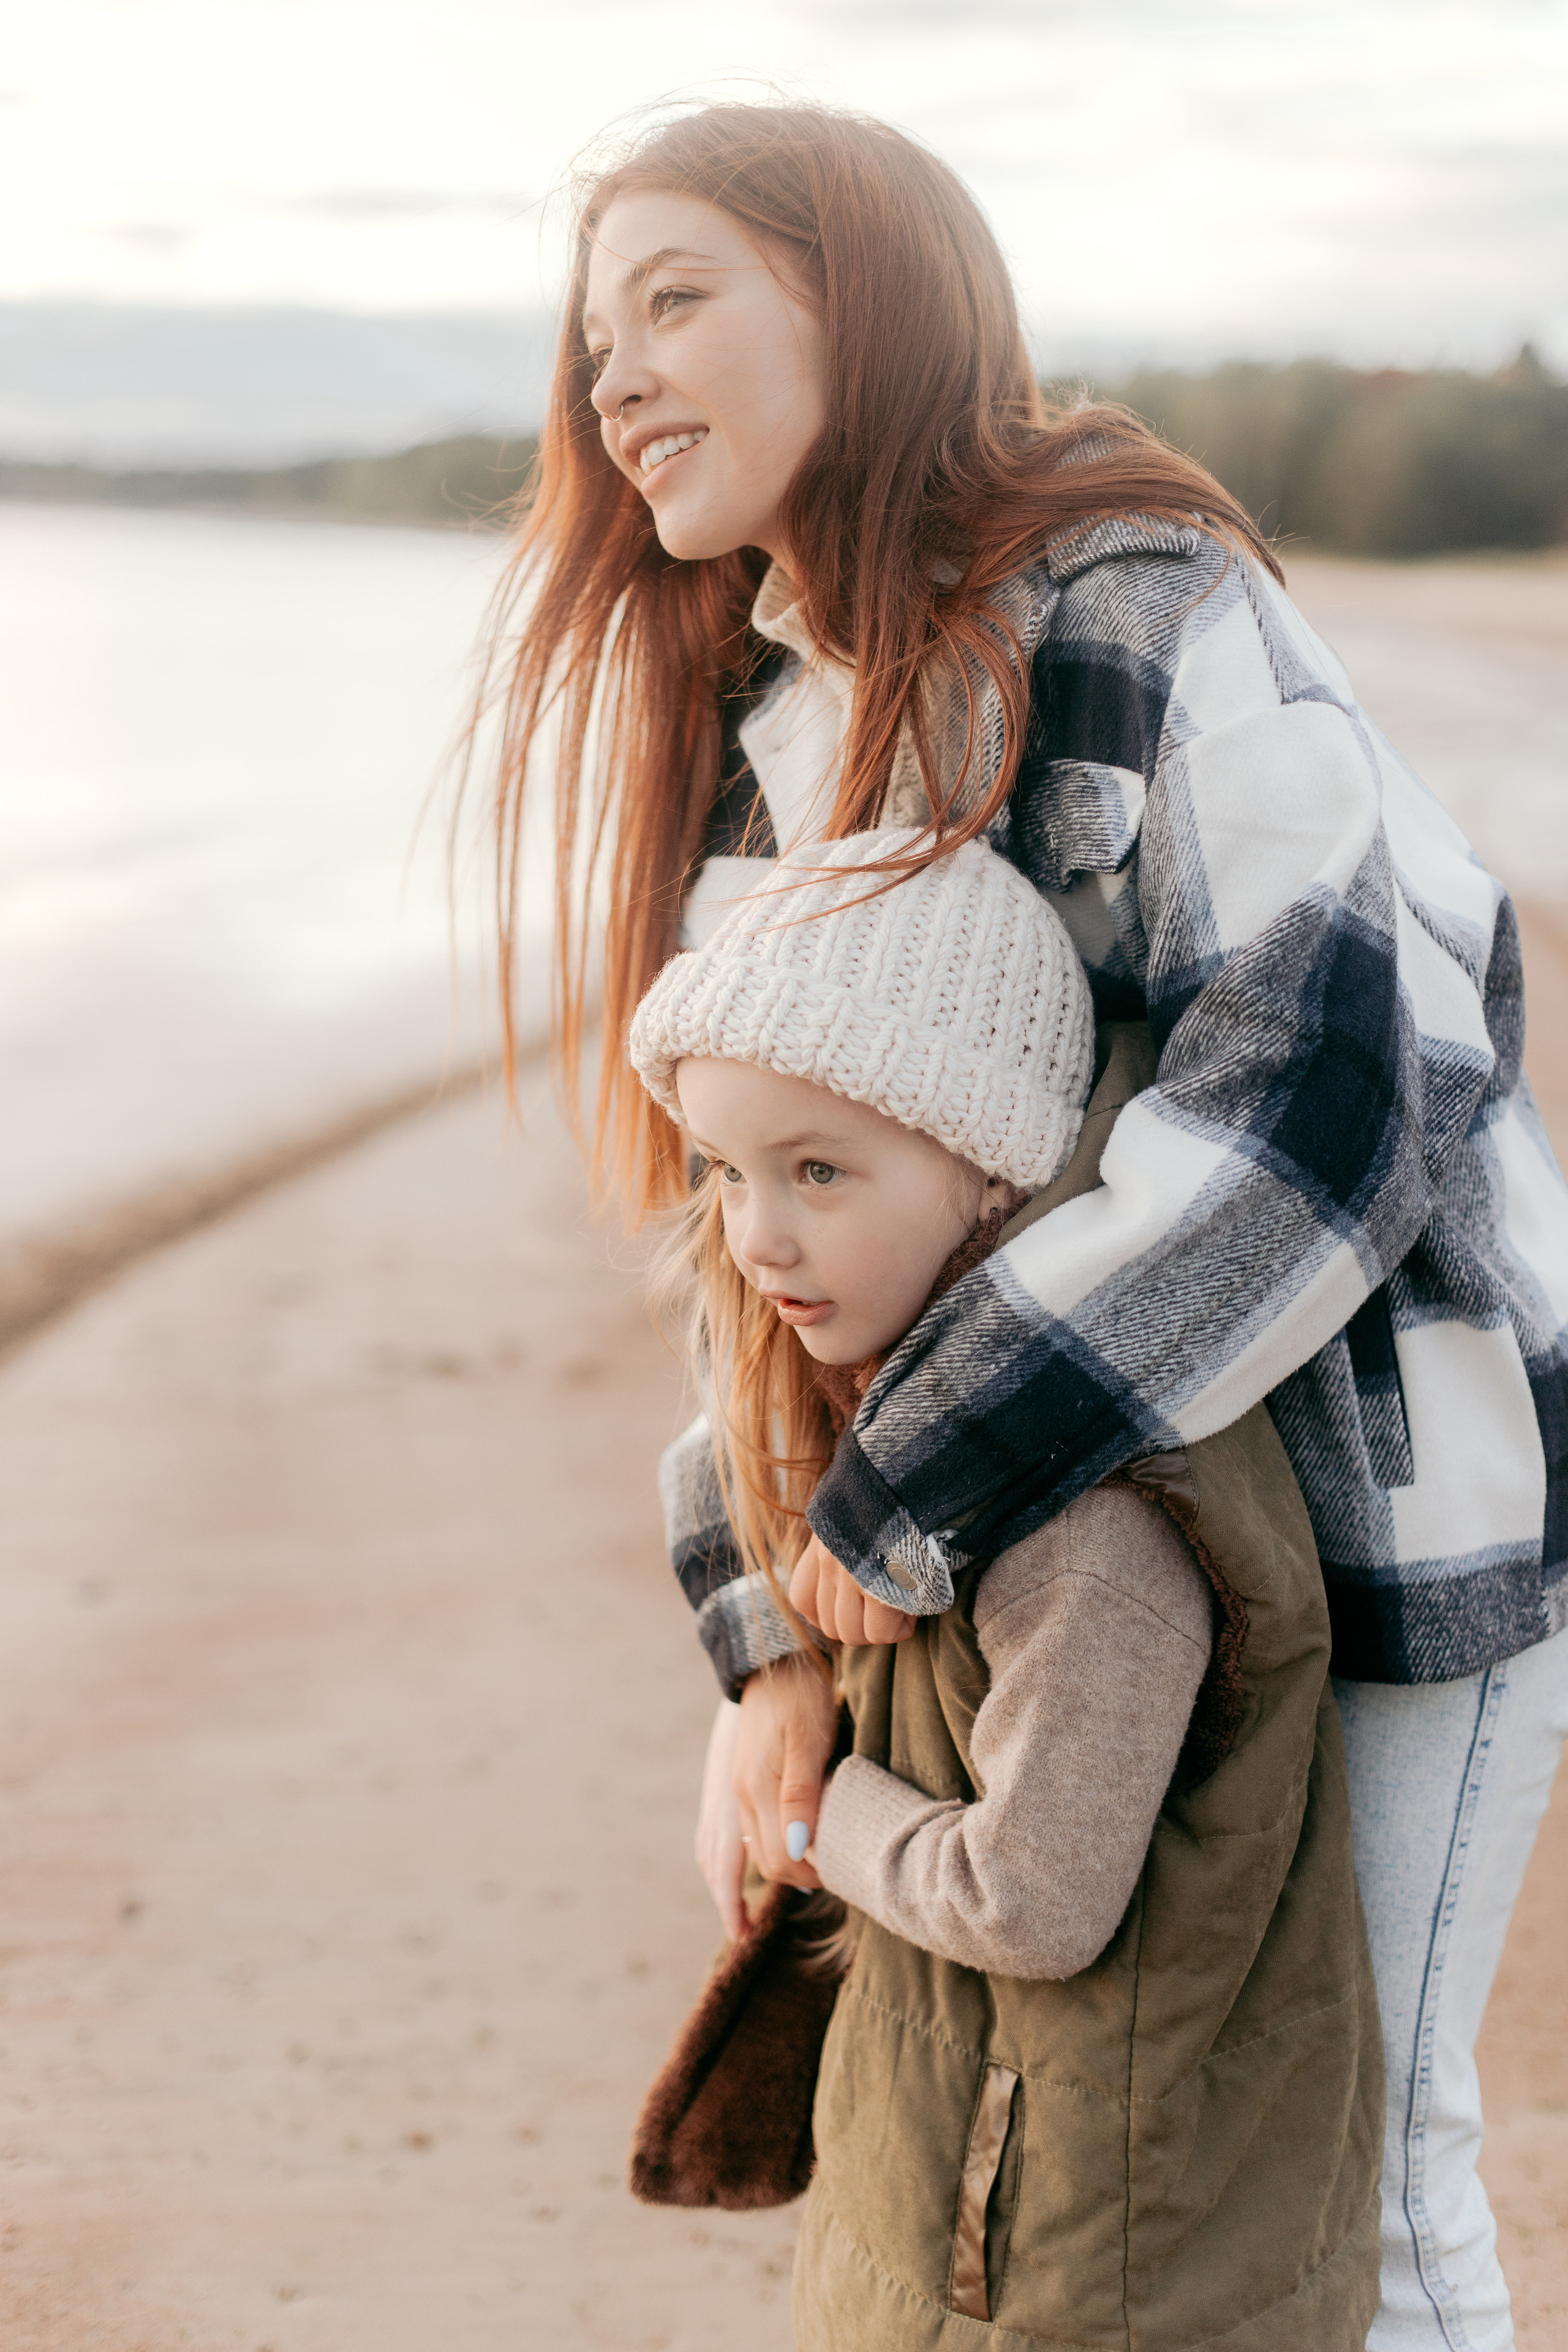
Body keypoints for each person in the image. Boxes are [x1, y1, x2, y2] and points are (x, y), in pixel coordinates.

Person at [481, 100, 1568, 2349]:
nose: (617, 380)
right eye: (596, 340)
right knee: (1113, 2154)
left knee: (1362, 2176)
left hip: (1390, 1512)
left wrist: (888, 1513)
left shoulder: (1146, 604)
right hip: (1060, 1521)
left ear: (864, 302)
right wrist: (766, 1633)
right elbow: (766, 1202)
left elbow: (1323, 1098)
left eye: (678, 298)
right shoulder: (779, 709)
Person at [628, 826, 1382, 2346]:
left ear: (989, 1167)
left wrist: (808, 1816)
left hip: (1077, 2257)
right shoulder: (904, 1416)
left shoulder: (1083, 1517)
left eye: (820, 1171)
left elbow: (1030, 1899)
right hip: (965, 2178)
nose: (759, 1233)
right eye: (729, 1172)